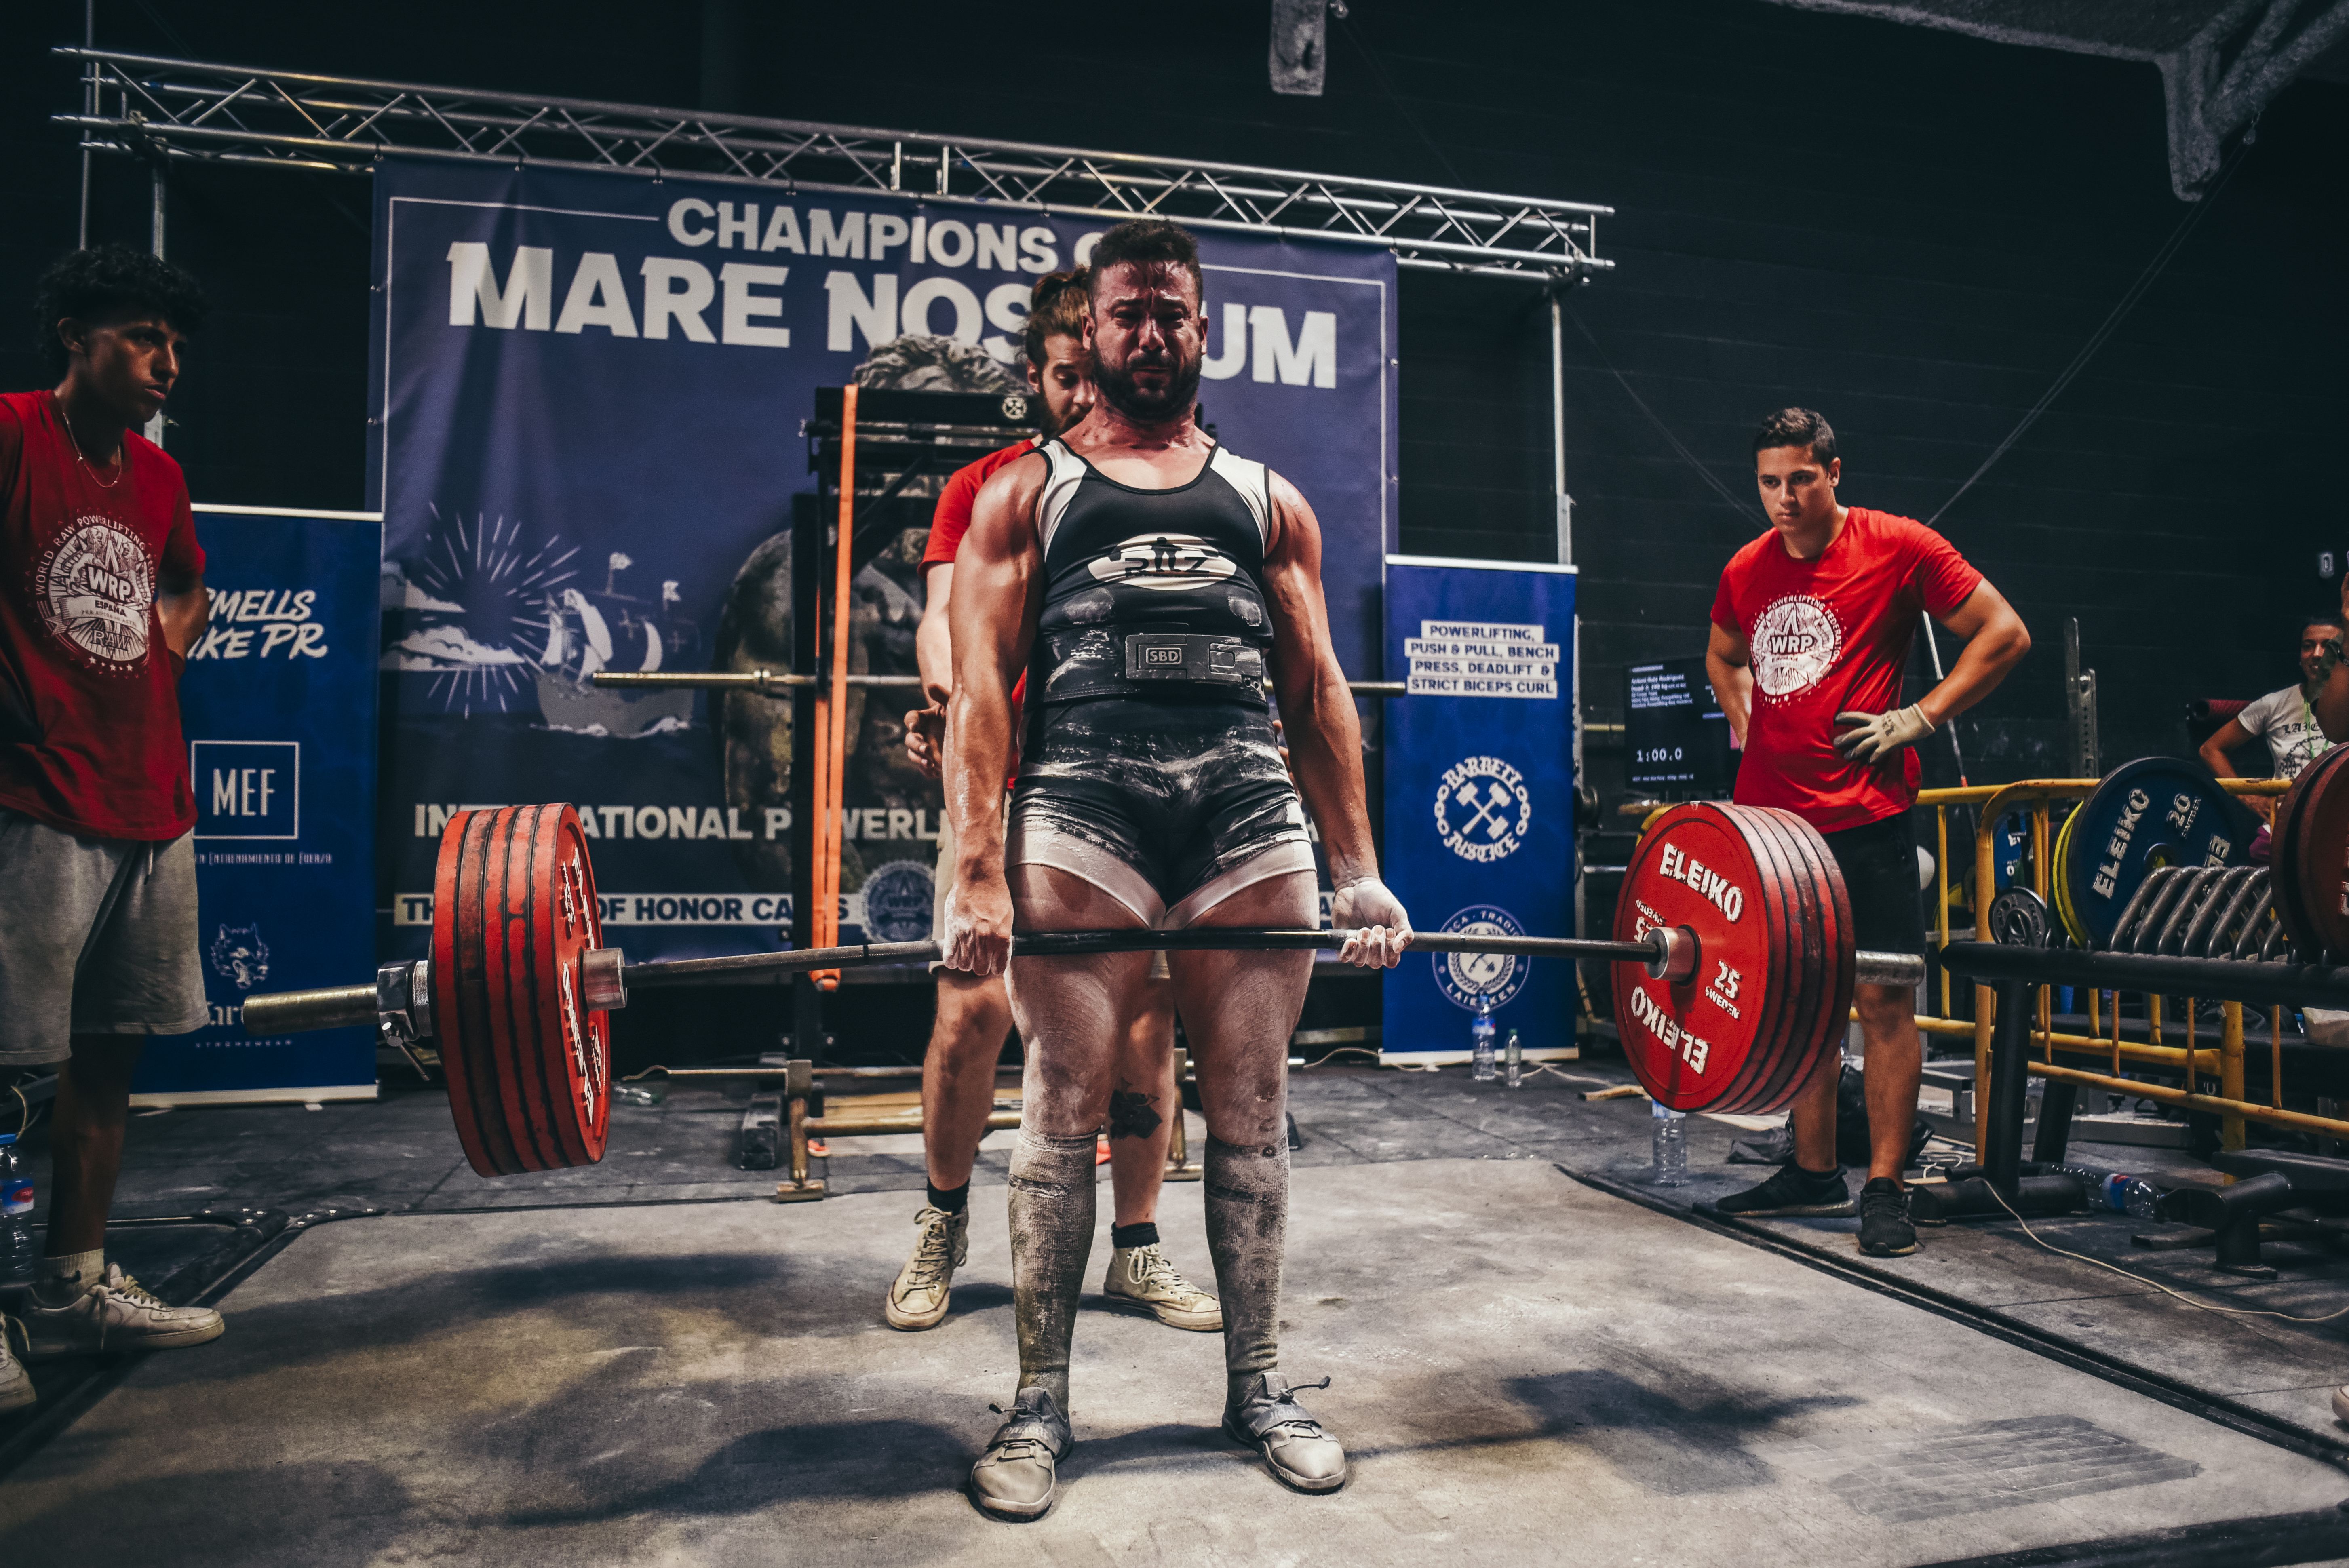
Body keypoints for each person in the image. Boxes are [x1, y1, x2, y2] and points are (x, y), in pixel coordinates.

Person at [939, 218, 1409, 1517]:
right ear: (1086, 333)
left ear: (1203, 330)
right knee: (1060, 1110)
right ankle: (1037, 1410)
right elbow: (980, 689)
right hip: (1082, 806)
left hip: (1242, 813)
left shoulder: (1270, 500)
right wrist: (974, 871)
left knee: (1250, 1114)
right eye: (1126, 313)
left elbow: (1316, 690)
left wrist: (1359, 868)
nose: (1149, 335)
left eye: (1171, 314)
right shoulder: (1021, 491)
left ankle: (1257, 1384)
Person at [889, 269, 1218, 1336]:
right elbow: (942, 618)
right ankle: (942, 1219)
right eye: (1067, 378)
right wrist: (946, 693)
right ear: (1038, 379)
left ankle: (1134, 1247)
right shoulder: (985, 489)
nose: (1087, 398)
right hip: (1005, 779)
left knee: (1141, 1022)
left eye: (1100, 374)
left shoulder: (1169, 480)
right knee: (972, 1009)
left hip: (1130, 787)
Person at [1703, 407, 2030, 1258]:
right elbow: (1722, 653)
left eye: (1800, 479)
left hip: (1867, 816)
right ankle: (1811, 1167)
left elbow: (2003, 632)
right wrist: (1744, 722)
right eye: (1769, 481)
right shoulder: (1746, 566)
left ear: (1833, 471)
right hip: (1774, 831)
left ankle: (1884, 1186)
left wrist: (1918, 716)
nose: (1783, 497)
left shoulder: (1899, 545)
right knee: (1801, 1006)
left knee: (1882, 1003)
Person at [0, 245, 227, 1413]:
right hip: (33, 795)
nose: (165, 364)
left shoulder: (155, 476)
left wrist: (157, 653)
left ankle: (71, 1288)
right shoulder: (11, 434)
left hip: (150, 795)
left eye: (174, 346)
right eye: (144, 338)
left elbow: (190, 586)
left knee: (109, 1052)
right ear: (75, 333)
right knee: (5, 1062)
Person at [2198, 617, 2343, 818]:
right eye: (2308, 646)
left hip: (2338, 823)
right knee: (2259, 850)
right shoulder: (2274, 704)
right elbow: (2210, 750)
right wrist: (2247, 796)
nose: (2317, 654)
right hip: (2284, 824)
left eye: (2327, 646)